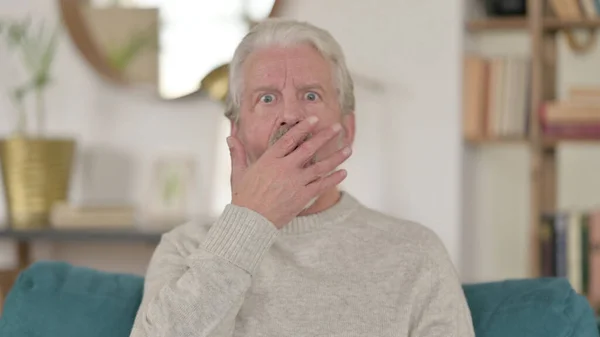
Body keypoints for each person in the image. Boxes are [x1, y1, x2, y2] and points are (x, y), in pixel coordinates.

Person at [130, 18, 474, 337]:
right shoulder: (186, 248)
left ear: (348, 129)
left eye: (311, 95)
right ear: (237, 131)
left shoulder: (416, 255)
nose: (291, 115)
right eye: (267, 98)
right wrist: (250, 224)